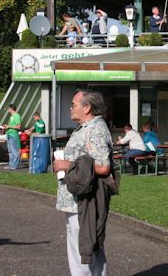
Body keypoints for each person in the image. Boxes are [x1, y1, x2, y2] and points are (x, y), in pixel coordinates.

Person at [53, 90, 113, 276]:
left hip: (84, 201)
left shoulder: (95, 130)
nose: (70, 108)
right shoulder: (86, 128)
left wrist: (67, 164)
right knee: (87, 246)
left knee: (85, 248)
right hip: (76, 199)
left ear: (87, 108)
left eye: (73, 104)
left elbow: (103, 167)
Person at [2, 104, 22, 170]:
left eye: (8, 109)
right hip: (9, 134)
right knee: (10, 151)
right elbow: (12, 125)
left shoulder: (16, 115)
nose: (7, 110)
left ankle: (15, 165)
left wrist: (9, 126)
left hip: (13, 135)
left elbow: (19, 127)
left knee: (14, 151)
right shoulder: (12, 116)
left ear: (11, 109)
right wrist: (7, 126)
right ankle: (11, 165)